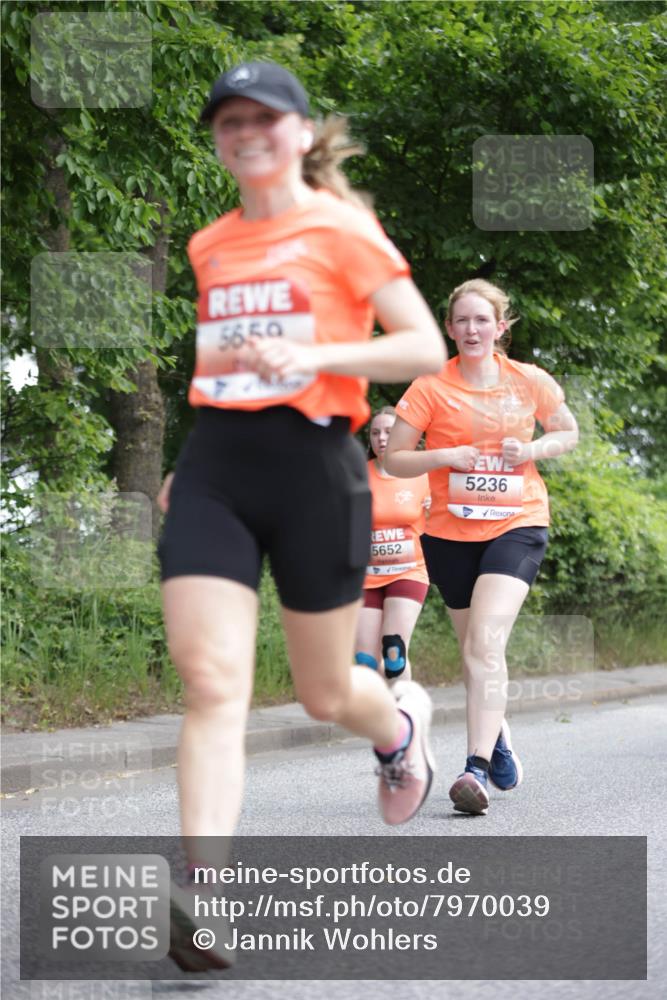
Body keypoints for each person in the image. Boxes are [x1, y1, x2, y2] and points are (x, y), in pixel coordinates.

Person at [156, 61, 446, 967]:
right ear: (217, 138)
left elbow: (421, 343)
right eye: (228, 120)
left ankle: (398, 731)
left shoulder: (341, 228)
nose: (245, 132)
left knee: (325, 695)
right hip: (216, 467)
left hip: (316, 466)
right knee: (211, 681)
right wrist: (185, 464)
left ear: (300, 131)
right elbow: (226, 366)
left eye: (263, 117)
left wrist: (314, 354)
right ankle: (205, 899)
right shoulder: (210, 244)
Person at [384, 278, 578, 816]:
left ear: (500, 327)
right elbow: (394, 458)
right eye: (463, 320)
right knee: (474, 652)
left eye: (482, 320)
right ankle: (498, 735)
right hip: (449, 533)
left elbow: (567, 432)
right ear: (450, 328)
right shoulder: (430, 386)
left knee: (486, 645)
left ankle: (475, 769)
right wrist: (445, 457)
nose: (472, 329)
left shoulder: (529, 380)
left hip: (518, 522)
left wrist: (532, 449)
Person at [355, 406, 431, 684]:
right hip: (367, 575)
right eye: (375, 433)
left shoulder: (422, 474)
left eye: (388, 431)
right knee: (365, 661)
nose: (382, 438)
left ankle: (404, 710)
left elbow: (443, 522)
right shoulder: (357, 474)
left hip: (408, 572)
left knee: (394, 651)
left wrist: (435, 510)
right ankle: (378, 711)